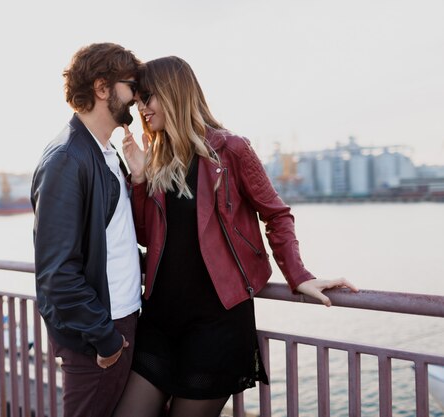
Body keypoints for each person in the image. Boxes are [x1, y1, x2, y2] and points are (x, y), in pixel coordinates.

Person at [113, 56, 359, 417]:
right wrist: (138, 180)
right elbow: (148, 237)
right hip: (159, 322)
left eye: (148, 97)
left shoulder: (231, 150)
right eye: (138, 102)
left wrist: (298, 275)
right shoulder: (156, 159)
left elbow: (276, 214)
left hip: (215, 326)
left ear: (174, 92)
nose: (142, 109)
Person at [30, 42, 144, 417]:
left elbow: (119, 239)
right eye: (132, 86)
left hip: (119, 320)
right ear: (102, 88)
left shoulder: (106, 152)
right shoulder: (67, 158)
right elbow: (57, 273)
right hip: (99, 332)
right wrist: (106, 339)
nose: (138, 97)